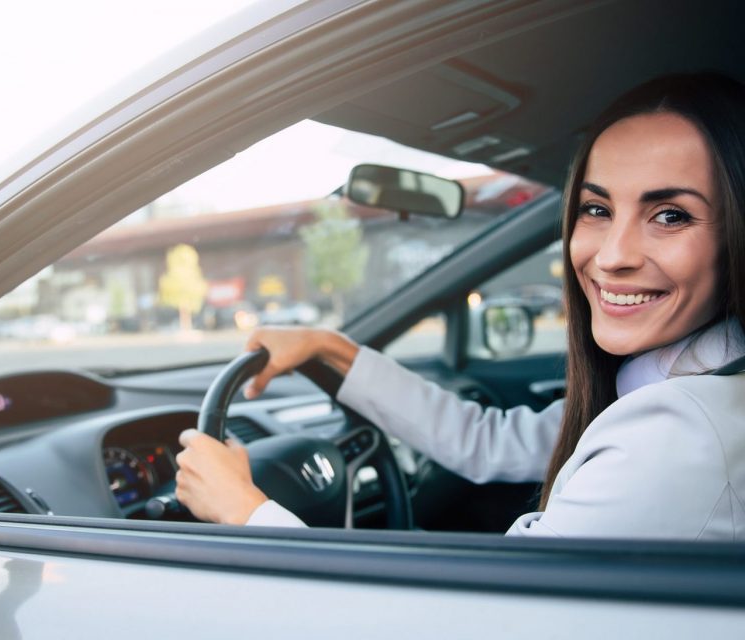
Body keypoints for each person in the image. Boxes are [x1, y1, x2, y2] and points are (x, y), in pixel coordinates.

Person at [175, 72, 745, 538]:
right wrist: (332, 348)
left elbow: (477, 622)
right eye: (596, 210)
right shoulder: (682, 383)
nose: (613, 255)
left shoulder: (673, 435)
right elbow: (488, 442)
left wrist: (246, 514)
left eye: (670, 215)